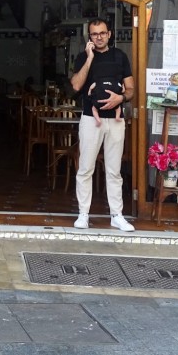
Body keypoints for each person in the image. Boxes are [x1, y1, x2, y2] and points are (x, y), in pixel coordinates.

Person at [69, 18, 136, 232]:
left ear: (109, 34)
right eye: (94, 34)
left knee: (114, 170)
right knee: (85, 168)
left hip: (115, 120)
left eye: (102, 33)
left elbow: (131, 89)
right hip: (91, 119)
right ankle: (83, 214)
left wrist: (121, 99)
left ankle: (116, 215)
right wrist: (89, 59)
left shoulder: (120, 56)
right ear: (90, 37)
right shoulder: (82, 57)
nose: (98, 37)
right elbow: (77, 85)